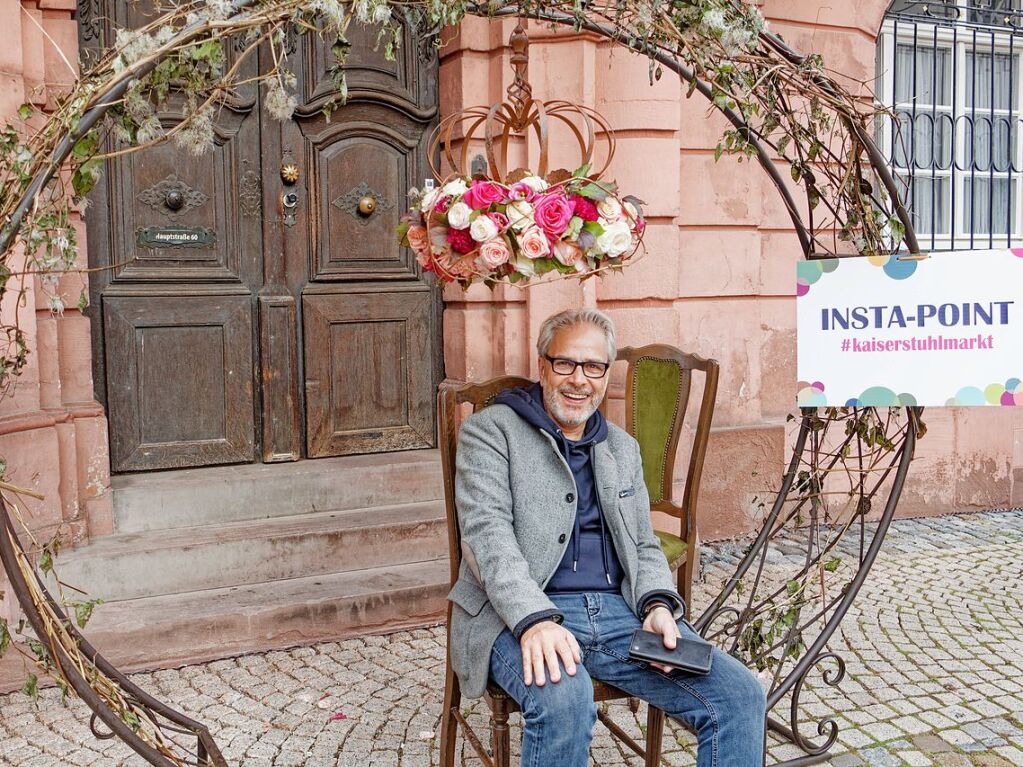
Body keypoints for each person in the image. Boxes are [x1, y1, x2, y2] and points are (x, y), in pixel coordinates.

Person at [447, 308, 767, 766]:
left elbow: (642, 543)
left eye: (594, 367)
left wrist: (658, 606)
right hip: (518, 613)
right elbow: (487, 538)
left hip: (619, 615)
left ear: (605, 374)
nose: (580, 380)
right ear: (543, 366)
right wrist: (534, 619)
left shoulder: (621, 447)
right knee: (565, 702)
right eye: (566, 364)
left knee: (739, 696)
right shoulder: (491, 432)